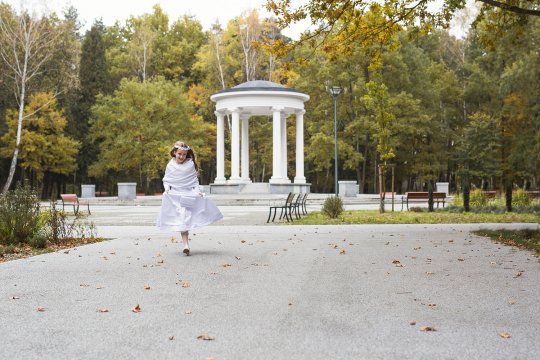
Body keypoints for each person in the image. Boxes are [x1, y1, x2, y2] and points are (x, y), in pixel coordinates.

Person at [156, 141, 222, 255]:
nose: (181, 156)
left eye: (184, 155)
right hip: (176, 196)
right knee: (182, 219)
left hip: (188, 194)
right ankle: (186, 245)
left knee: (186, 218)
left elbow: (194, 181)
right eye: (179, 154)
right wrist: (166, 190)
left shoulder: (190, 164)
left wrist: (198, 191)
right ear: (174, 153)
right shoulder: (170, 165)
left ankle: (186, 244)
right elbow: (167, 180)